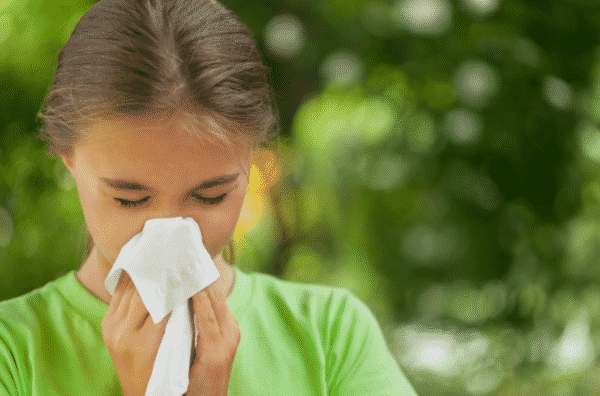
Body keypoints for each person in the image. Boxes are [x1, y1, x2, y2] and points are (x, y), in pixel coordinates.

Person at [0, 0, 419, 395]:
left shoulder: (331, 335)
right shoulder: (13, 352)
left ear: (252, 157)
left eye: (211, 196)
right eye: (130, 199)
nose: (168, 232)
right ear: (67, 156)